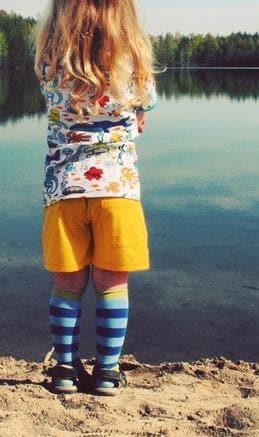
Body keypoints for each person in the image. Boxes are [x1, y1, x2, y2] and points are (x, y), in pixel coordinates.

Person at [34, 0, 157, 395]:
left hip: (64, 190)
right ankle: (106, 372)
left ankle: (65, 371)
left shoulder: (50, 64)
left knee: (67, 282)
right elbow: (143, 116)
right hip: (117, 192)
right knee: (111, 282)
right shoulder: (135, 67)